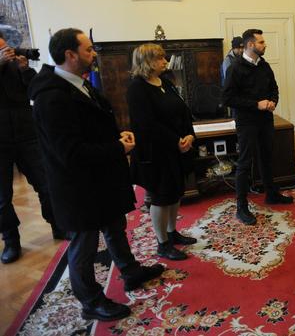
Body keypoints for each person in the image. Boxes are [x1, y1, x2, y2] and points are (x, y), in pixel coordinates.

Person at [29, 28, 164, 322]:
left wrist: (118, 137)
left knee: (115, 228)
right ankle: (91, 301)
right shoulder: (51, 98)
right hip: (77, 187)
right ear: (70, 55)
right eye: (88, 50)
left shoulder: (78, 84)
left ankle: (130, 272)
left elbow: (93, 126)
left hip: (100, 179)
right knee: (84, 246)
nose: (94, 54)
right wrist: (117, 147)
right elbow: (70, 152)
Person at [126, 43, 197, 261]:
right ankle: (162, 243)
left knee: (175, 193)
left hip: (177, 148)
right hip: (155, 152)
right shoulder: (137, 88)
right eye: (159, 58)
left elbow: (184, 111)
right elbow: (147, 124)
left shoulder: (165, 81)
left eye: (164, 58)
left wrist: (189, 134)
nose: (165, 62)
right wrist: (175, 140)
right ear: (146, 61)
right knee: (160, 197)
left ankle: (172, 232)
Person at [0, 32, 62, 264]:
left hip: (27, 134)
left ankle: (57, 224)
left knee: (46, 183)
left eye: (6, 47)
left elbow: (36, 89)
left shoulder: (16, 65)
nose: (7, 52)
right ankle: (11, 240)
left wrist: (25, 68)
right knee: (2, 197)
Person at [222, 29, 293, 225]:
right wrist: (256, 104)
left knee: (267, 157)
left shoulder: (264, 66)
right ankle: (241, 207)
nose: (265, 45)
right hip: (247, 122)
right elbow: (228, 98)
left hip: (265, 120)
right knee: (245, 163)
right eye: (261, 42)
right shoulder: (235, 68)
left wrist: (272, 101)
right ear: (251, 45)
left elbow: (274, 88)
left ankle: (272, 194)